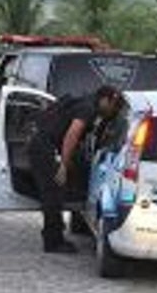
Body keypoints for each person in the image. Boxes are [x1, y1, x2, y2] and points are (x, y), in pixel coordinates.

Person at [29, 86, 123, 254]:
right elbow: (72, 134)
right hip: (45, 148)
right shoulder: (88, 108)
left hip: (42, 143)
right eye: (113, 107)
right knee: (53, 192)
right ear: (105, 100)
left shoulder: (84, 101)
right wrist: (64, 165)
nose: (112, 112)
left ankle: (58, 233)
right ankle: (53, 241)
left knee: (56, 189)